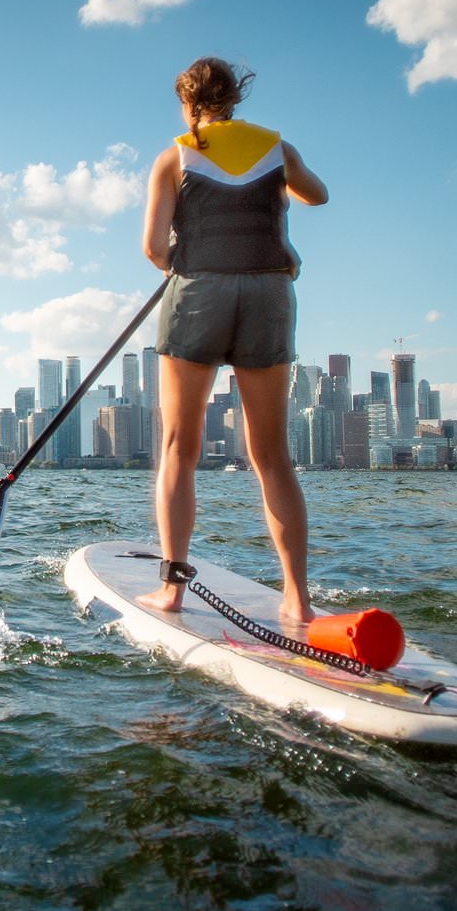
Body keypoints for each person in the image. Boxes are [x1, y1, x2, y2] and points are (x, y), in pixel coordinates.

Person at [135, 57, 329, 623]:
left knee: (179, 448)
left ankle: (171, 589)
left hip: (198, 294)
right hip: (269, 295)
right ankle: (297, 597)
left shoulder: (174, 155)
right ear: (234, 99)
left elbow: (153, 248)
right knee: (272, 455)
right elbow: (317, 194)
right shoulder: (277, 146)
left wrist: (197, 264)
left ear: (187, 102)